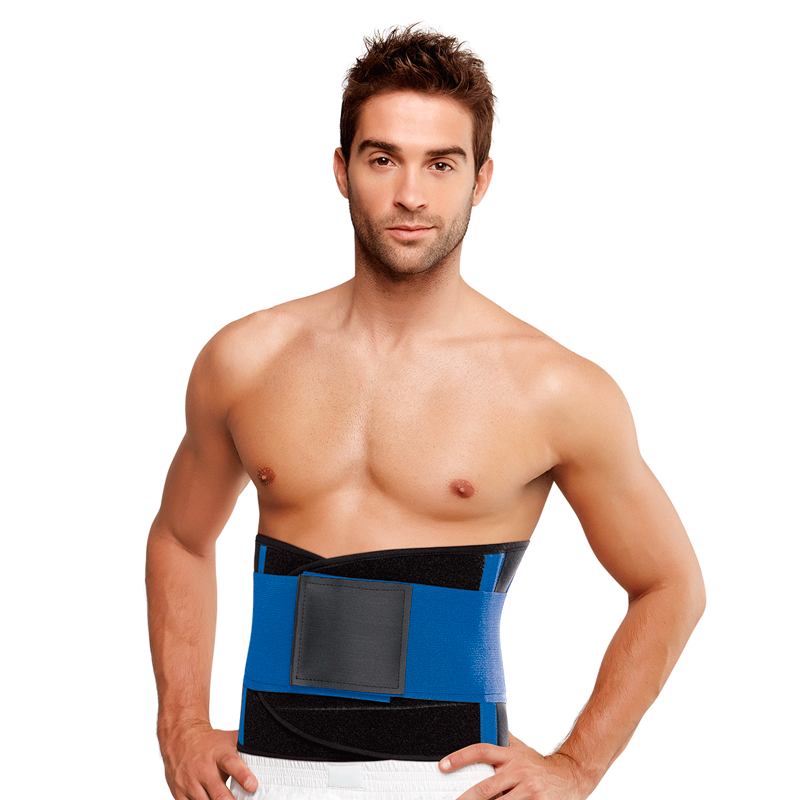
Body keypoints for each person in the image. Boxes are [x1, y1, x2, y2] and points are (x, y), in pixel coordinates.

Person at [146, 25, 705, 800]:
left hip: (451, 783)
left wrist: (577, 766)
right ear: (342, 170)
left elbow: (671, 585)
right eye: (383, 159)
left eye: (442, 164)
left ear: (480, 180)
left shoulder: (554, 388)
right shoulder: (246, 360)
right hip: (259, 775)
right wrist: (180, 723)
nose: (411, 194)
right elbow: (180, 537)